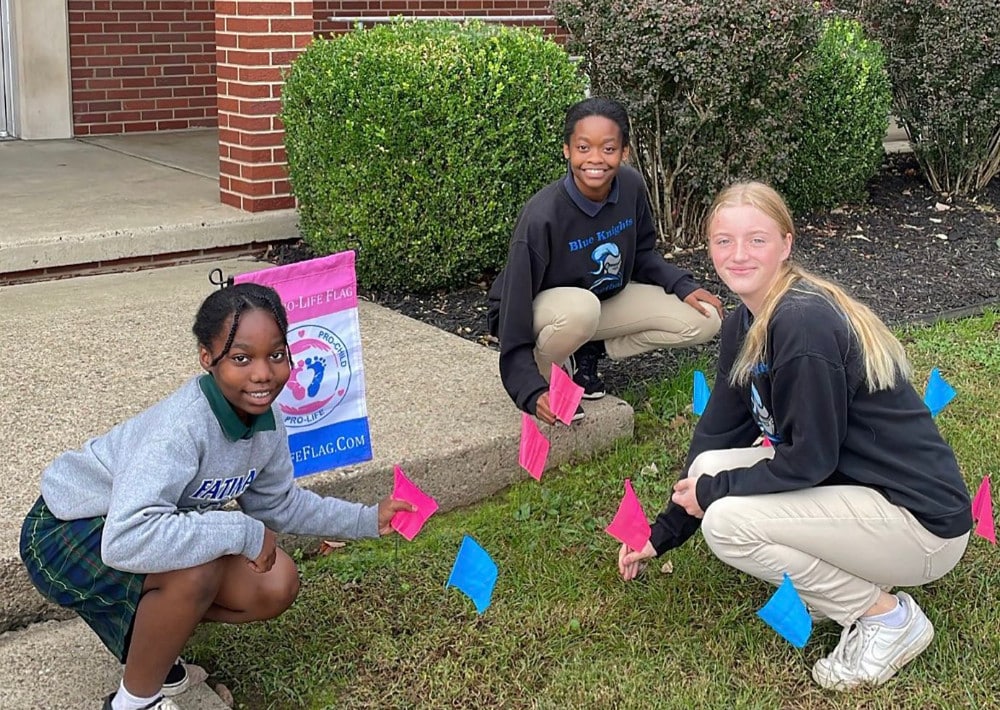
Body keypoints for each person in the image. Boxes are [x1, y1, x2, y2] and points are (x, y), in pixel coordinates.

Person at [617, 182, 972, 690]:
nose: (738, 255)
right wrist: (663, 531)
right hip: (864, 497)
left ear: (786, 244)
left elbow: (810, 460)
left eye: (756, 240)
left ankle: (886, 618)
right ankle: (856, 580)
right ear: (708, 247)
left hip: (923, 527)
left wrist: (711, 497)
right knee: (707, 470)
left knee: (727, 523)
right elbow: (715, 433)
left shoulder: (802, 324)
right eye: (723, 241)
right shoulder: (748, 321)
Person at [20, 282, 414, 710]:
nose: (263, 373)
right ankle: (134, 702)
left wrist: (365, 519)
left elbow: (277, 504)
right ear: (207, 358)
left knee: (275, 582)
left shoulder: (267, 419)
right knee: (196, 570)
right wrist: (240, 530)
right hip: (68, 530)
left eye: (276, 355)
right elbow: (126, 537)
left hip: (131, 529)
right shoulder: (182, 428)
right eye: (241, 358)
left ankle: (153, 645)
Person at [486, 97, 723, 424]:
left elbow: (640, 253)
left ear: (624, 152)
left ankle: (587, 349)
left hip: (598, 302)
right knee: (581, 309)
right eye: (583, 148)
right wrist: (527, 388)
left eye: (608, 149)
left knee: (705, 318)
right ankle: (547, 375)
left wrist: (680, 284)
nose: (595, 159)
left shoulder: (630, 187)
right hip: (537, 308)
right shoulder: (542, 216)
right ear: (567, 150)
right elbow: (514, 306)